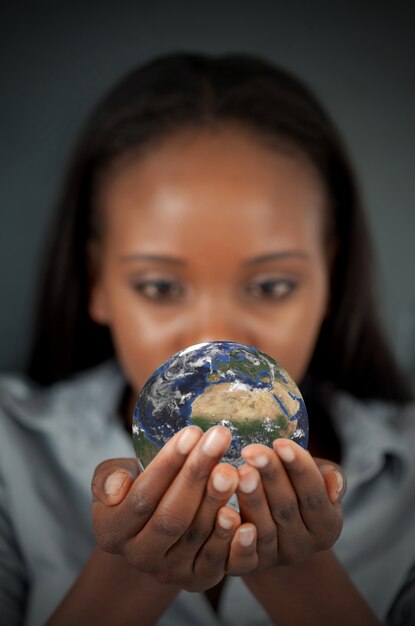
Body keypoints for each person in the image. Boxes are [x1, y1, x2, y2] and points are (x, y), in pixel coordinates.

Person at [1, 52, 414, 626]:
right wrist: (131, 573)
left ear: (331, 280)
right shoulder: (9, 456)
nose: (215, 341)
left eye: (271, 285)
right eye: (161, 286)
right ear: (96, 282)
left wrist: (293, 568)